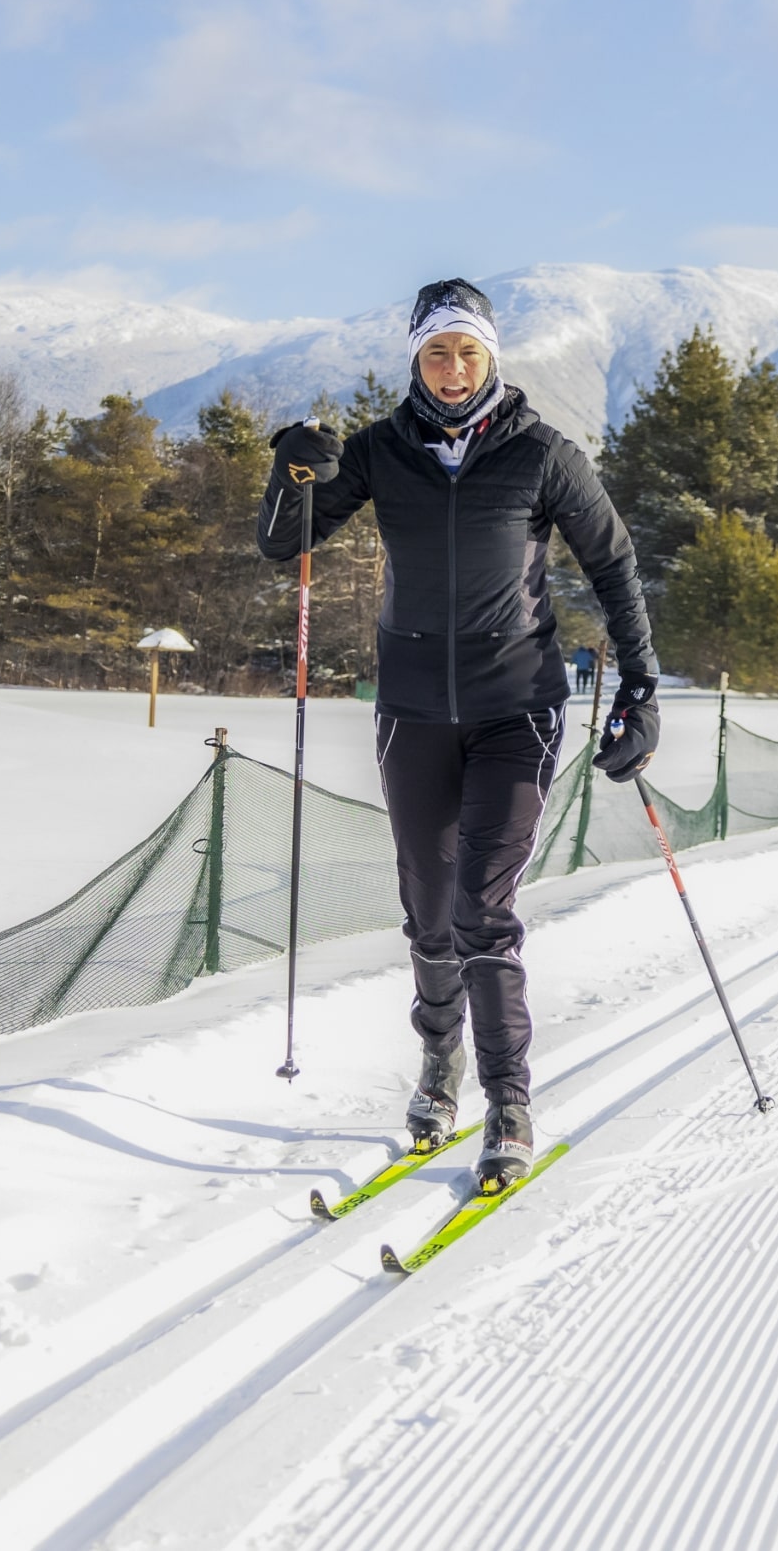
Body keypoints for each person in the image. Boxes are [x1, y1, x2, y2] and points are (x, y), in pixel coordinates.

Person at [258, 278, 659, 1191]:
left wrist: (642, 687)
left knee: (482, 908)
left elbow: (615, 564)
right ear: (415, 360)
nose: (450, 369)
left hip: (516, 703)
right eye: (435, 352)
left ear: (490, 358)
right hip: (412, 712)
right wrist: (291, 469)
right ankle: (439, 1067)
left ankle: (508, 1099)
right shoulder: (381, 450)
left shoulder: (542, 453)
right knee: (429, 911)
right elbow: (289, 541)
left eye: (465, 351)